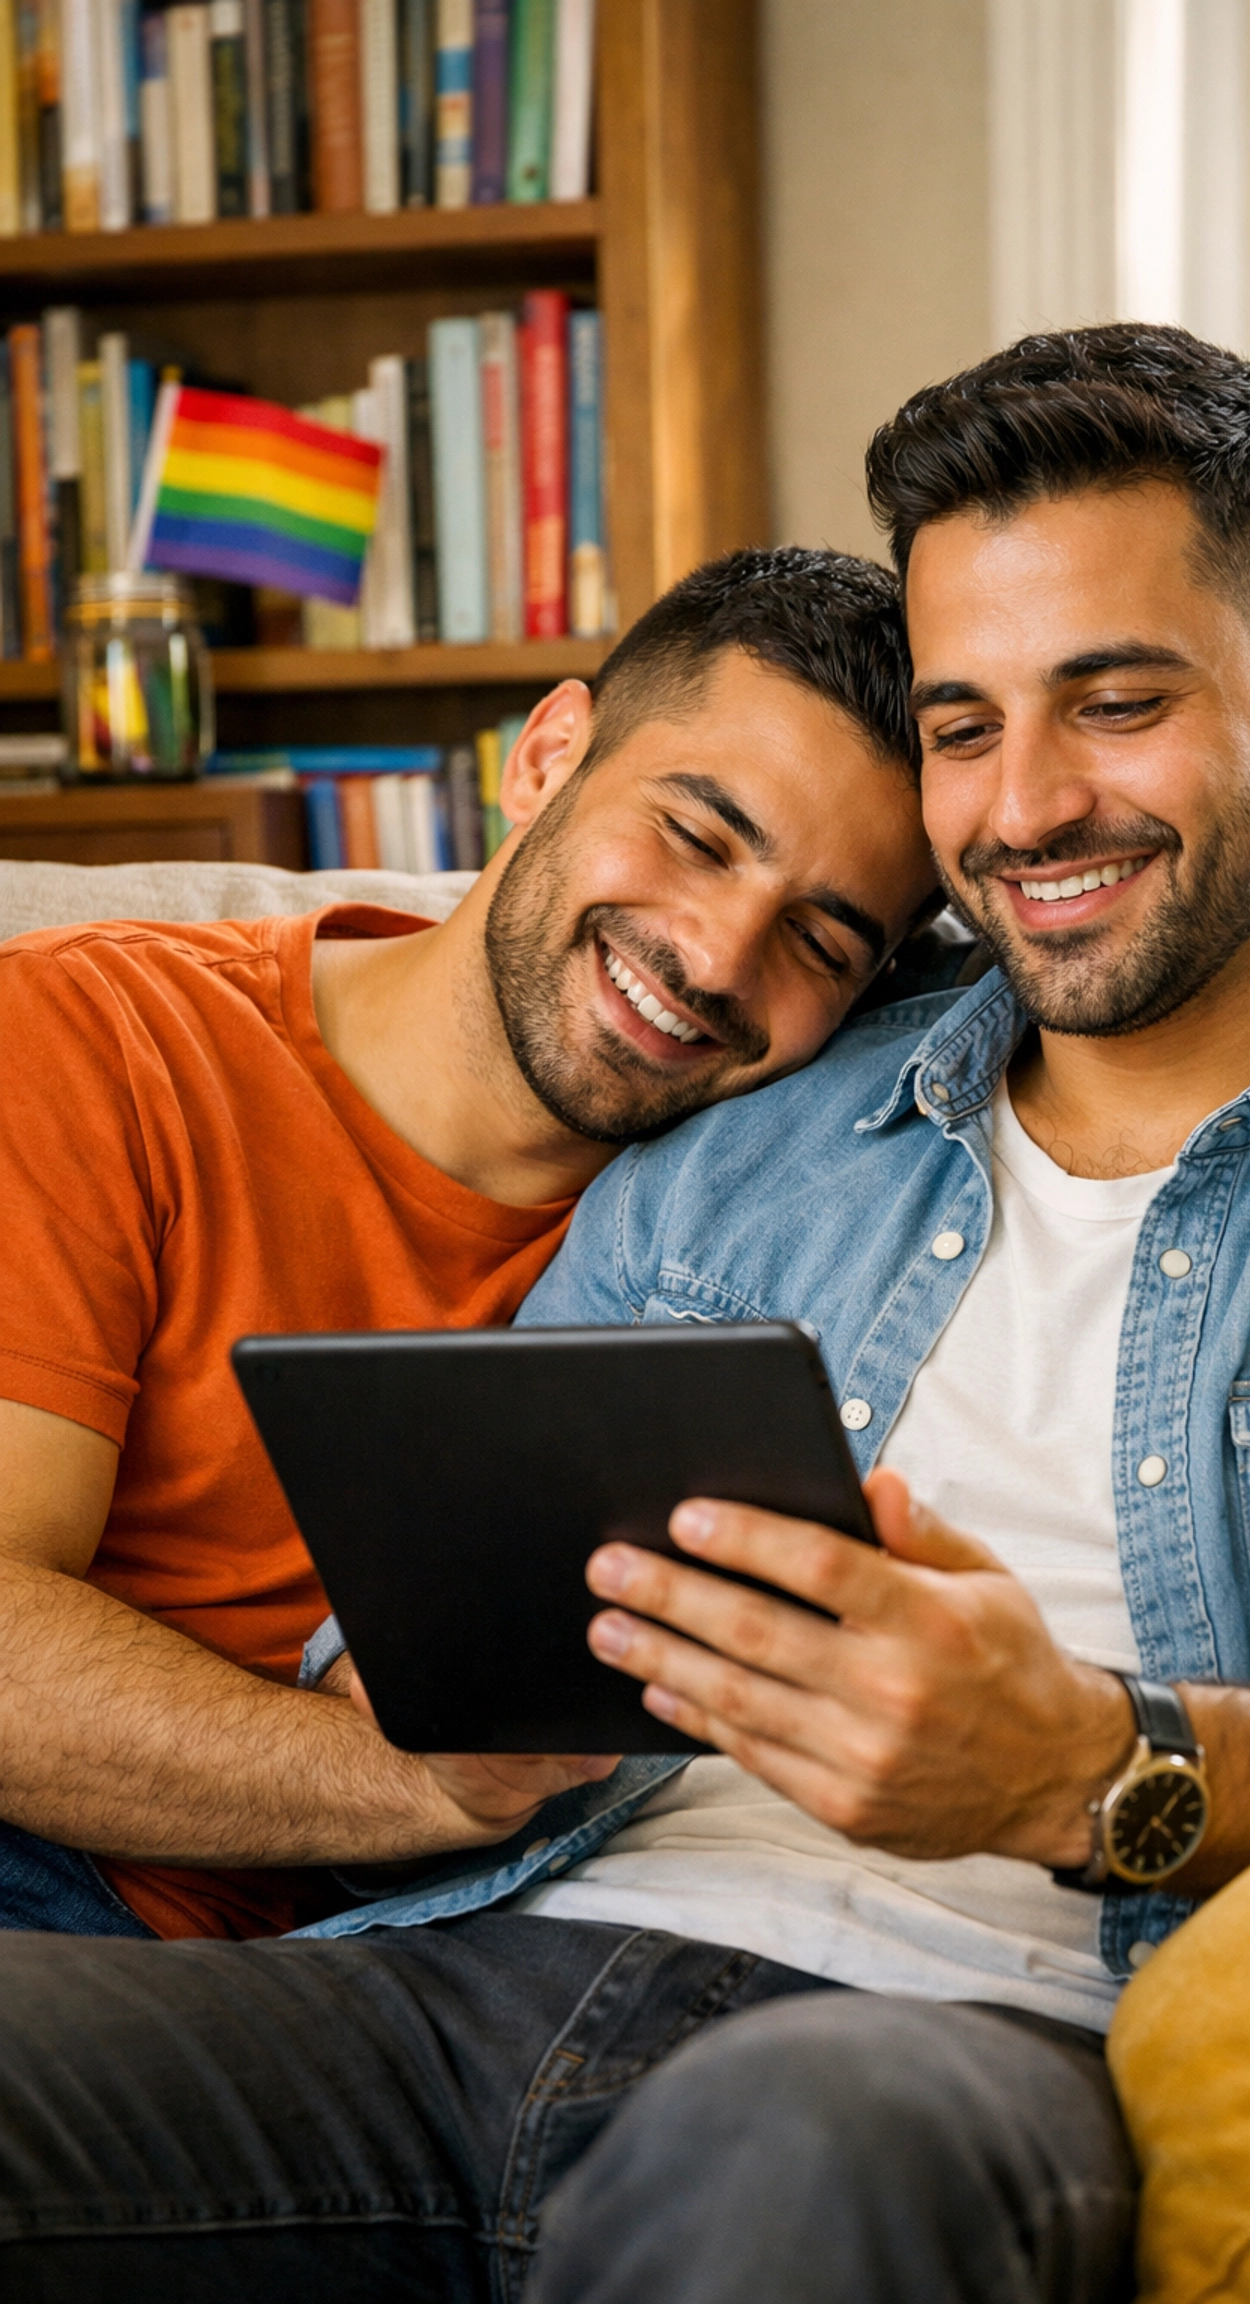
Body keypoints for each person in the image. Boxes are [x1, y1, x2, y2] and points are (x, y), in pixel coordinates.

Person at [2, 325, 1250, 2304]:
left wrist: (1086, 1763)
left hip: (950, 2050)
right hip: (471, 1976)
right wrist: (397, 1715)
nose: (1029, 808)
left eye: (1118, 702)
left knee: (789, 2157)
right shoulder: (760, 1109)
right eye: (966, 729)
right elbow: (422, 1636)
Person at [0, 544, 935, 1945]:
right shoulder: (101, 1040)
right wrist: (396, 1784)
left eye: (821, 939)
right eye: (696, 834)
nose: (720, 957)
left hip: (362, 1978)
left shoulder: (764, 1216)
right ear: (550, 755)